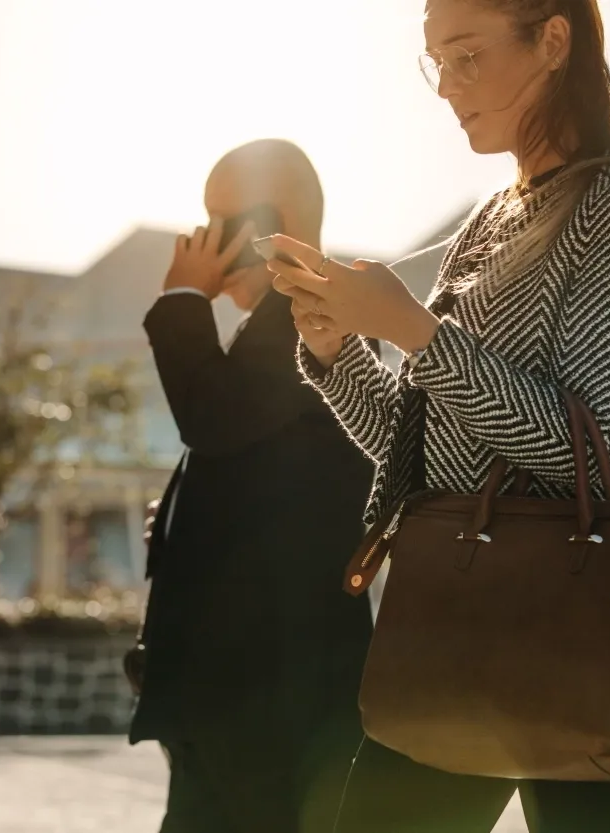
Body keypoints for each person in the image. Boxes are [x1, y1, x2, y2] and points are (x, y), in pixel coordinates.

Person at [265, 1, 610, 830]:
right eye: (436, 62)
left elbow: (586, 451)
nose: (445, 87)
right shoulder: (490, 217)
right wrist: (337, 351)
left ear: (554, 41)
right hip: (454, 619)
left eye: (465, 56)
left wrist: (411, 328)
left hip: (582, 627)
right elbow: (422, 452)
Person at [129, 138, 376, 833]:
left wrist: (182, 296)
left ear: (278, 221)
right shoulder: (270, 325)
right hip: (242, 689)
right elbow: (255, 465)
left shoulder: (314, 315)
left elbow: (212, 417)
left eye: (220, 218)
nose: (203, 237)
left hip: (272, 690)